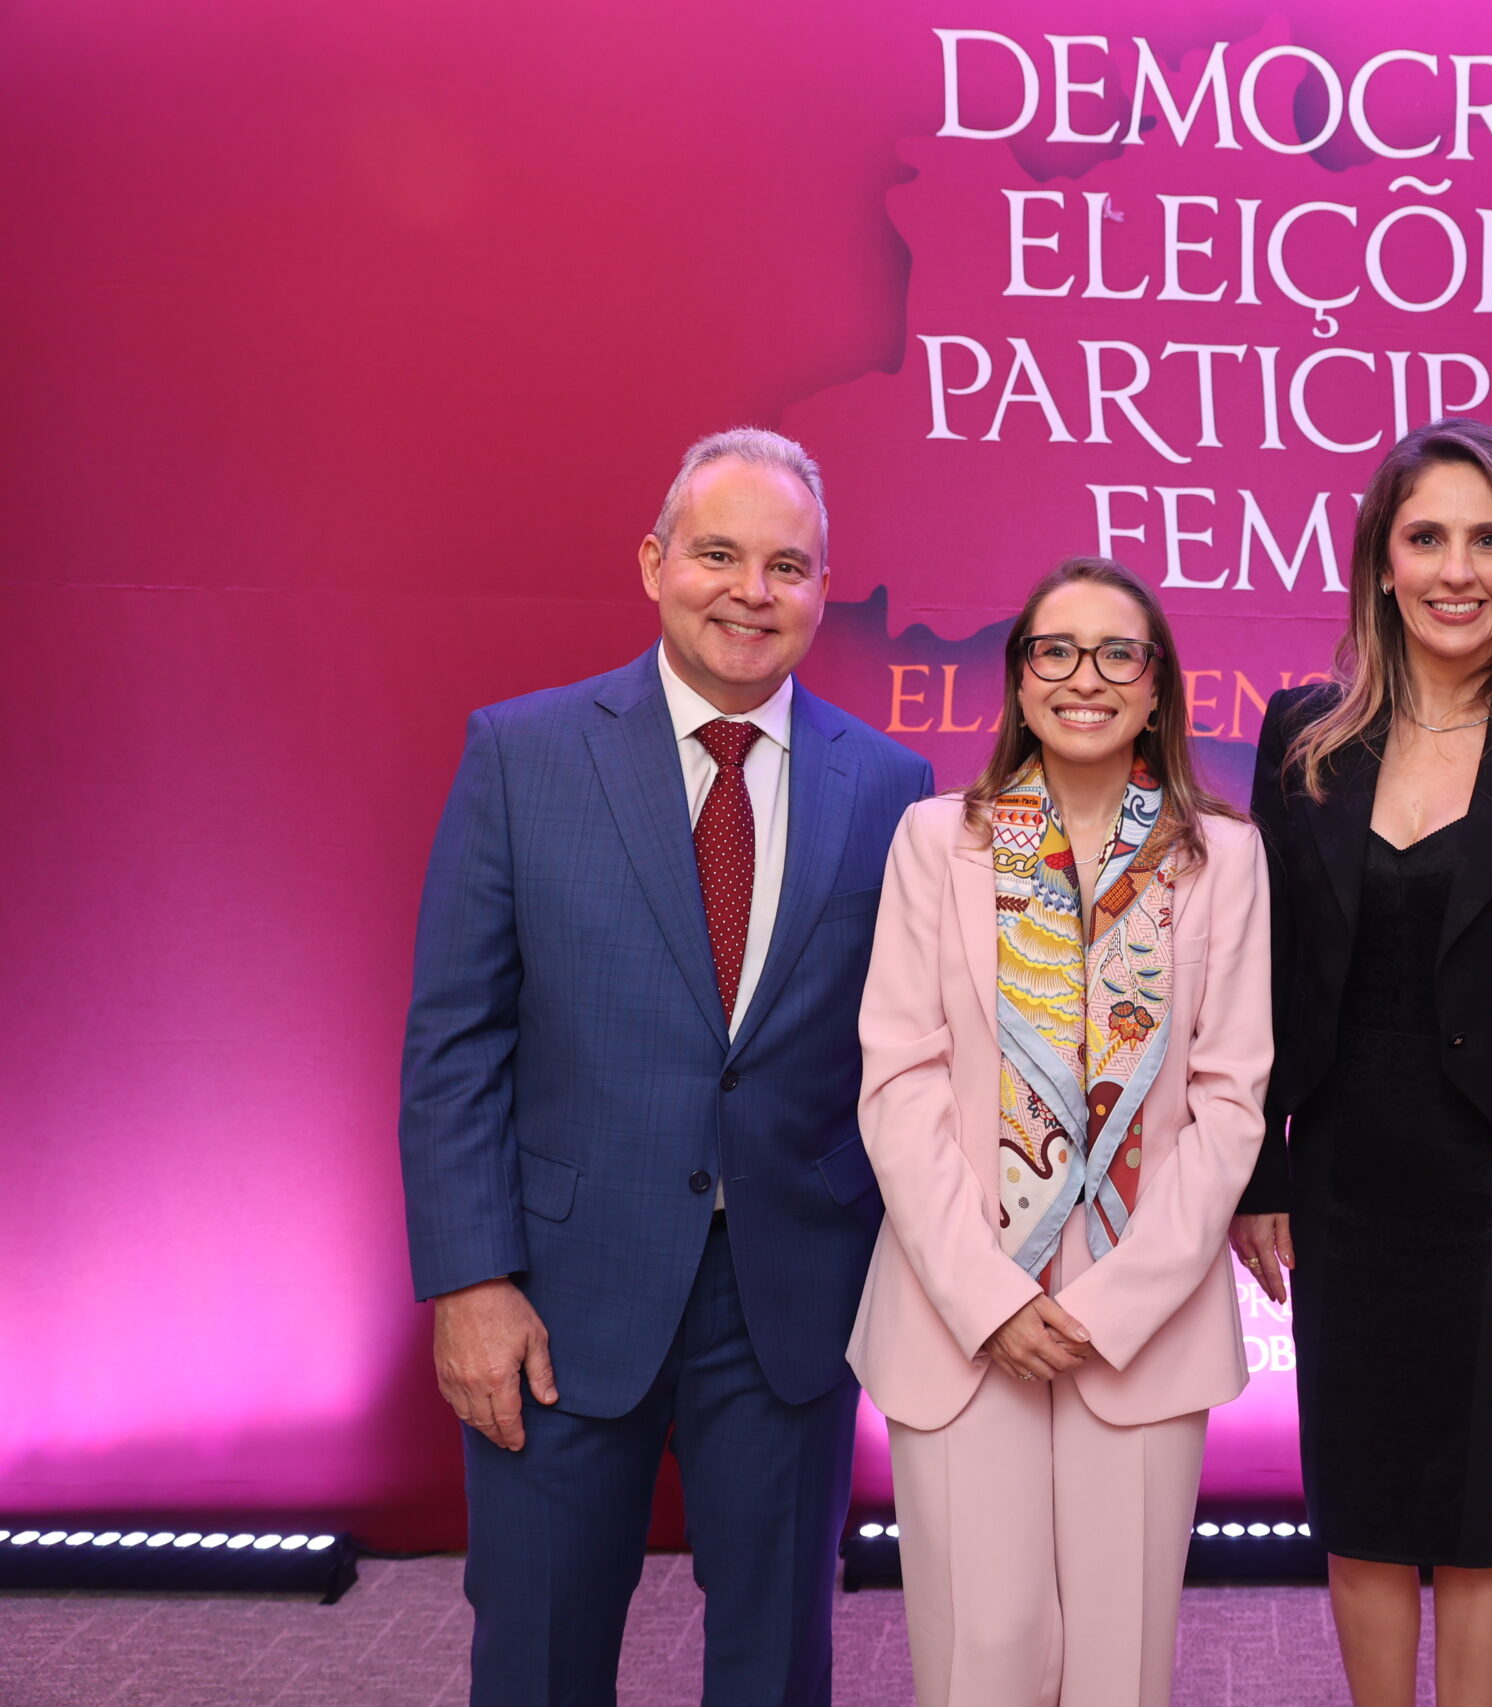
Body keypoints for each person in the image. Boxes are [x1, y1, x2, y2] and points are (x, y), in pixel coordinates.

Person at [398, 428, 932, 1707]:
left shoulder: (896, 788)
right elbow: (453, 1039)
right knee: (536, 1660)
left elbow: (910, 1051)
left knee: (775, 1668)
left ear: (821, 588)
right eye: (719, 554)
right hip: (556, 1305)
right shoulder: (522, 756)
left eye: (787, 565)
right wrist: (470, 1279)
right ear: (654, 564)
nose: (752, 591)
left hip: (792, 1308)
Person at [1229, 418, 1492, 1707]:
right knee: (1360, 1509)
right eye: (1427, 538)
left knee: (1483, 1518)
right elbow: (1259, 976)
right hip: (1348, 1178)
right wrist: (1260, 1176)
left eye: (1487, 538)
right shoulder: (1304, 735)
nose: (1456, 568)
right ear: (1381, 560)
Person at [849, 558, 1272, 1707]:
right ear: (1020, 678)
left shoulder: (1221, 858)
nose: (1084, 678)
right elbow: (899, 1081)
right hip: (960, 1307)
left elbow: (1231, 1101)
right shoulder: (938, 843)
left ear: (1156, 687)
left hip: (1140, 1318)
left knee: (1117, 1667)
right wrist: (989, 1297)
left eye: (1117, 653)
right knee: (982, 1649)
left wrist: (1111, 1302)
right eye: (1055, 651)